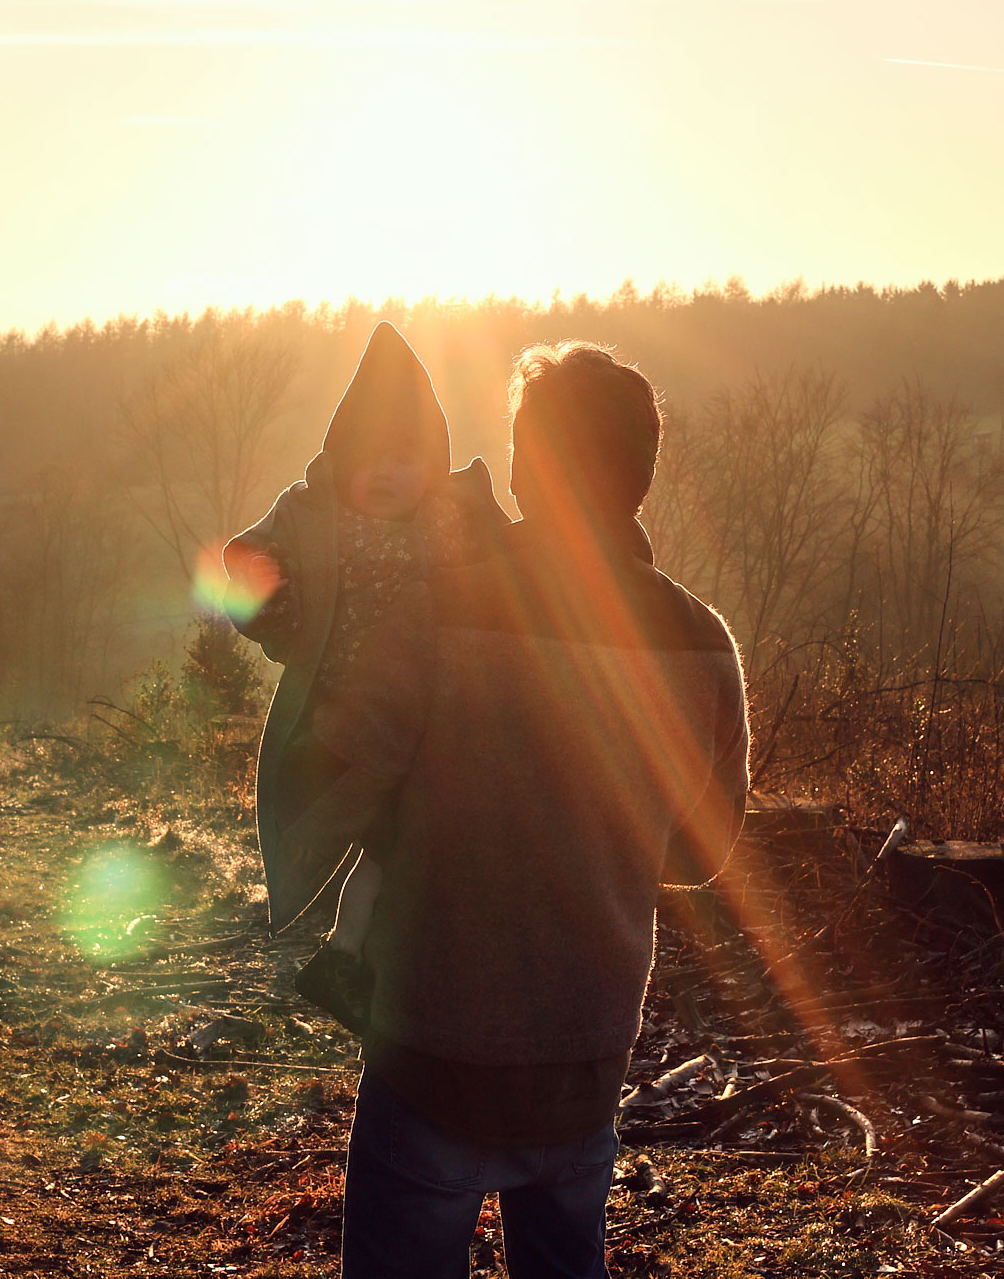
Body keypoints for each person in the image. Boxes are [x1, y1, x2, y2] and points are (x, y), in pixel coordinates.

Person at [322, 341, 752, 1279]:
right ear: (639, 476)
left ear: (523, 465)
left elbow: (353, 783)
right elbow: (703, 849)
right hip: (583, 1062)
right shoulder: (699, 639)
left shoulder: (436, 606)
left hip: (432, 1048)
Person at [224, 322, 505, 1034]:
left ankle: (347, 958)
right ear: (340, 457)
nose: (385, 473)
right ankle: (340, 947)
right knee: (340, 823)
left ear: (433, 463)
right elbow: (245, 557)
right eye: (369, 457)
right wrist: (277, 607)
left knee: (394, 841)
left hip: (422, 716)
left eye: (405, 458)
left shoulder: (450, 514)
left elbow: (516, 561)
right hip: (338, 712)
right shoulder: (314, 513)